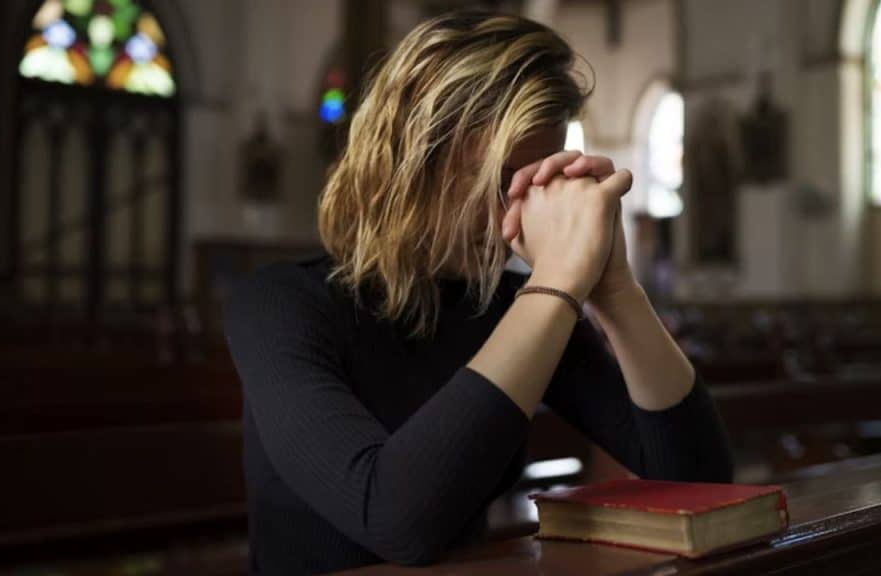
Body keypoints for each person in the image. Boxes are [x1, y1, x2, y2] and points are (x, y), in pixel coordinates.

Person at [223, 11, 733, 575]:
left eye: (542, 184)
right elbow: (397, 521)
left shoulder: (515, 304)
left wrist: (614, 287)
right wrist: (557, 283)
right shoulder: (278, 306)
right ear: (414, 161)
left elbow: (701, 482)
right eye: (503, 182)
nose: (522, 217)